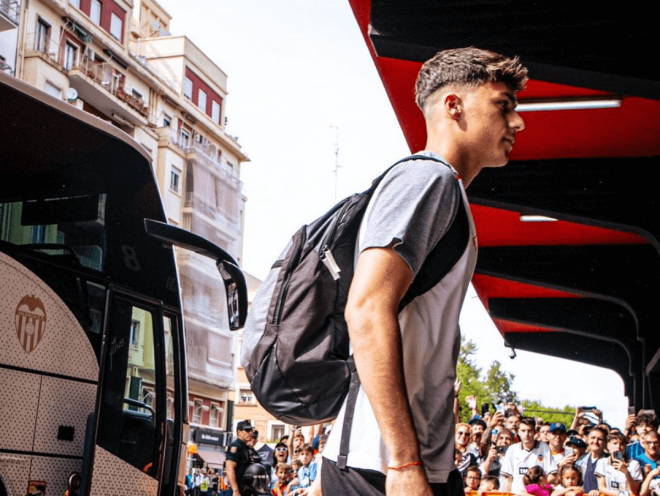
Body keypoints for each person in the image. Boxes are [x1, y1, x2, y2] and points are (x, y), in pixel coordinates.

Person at [320, 46, 528, 496]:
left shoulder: (445, 189)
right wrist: (402, 462)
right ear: (454, 105)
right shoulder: (427, 181)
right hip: (382, 465)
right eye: (503, 105)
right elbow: (367, 308)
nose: (518, 123)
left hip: (416, 463)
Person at [500, 417, 558, 493]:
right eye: (523, 431)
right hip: (517, 493)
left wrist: (539, 486)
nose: (526, 434)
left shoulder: (544, 448)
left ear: (535, 431)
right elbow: (508, 478)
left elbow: (553, 474)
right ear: (518, 432)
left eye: (529, 430)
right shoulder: (512, 449)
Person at [225, 420, 263, 496]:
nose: (251, 433)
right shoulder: (236, 446)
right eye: (247, 430)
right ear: (239, 432)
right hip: (240, 489)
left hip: (249, 489)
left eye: (251, 430)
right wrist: (235, 490)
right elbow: (229, 468)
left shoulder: (247, 447)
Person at [576, 427, 607, 495]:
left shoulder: (609, 461)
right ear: (588, 440)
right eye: (593, 438)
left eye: (600, 439)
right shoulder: (580, 461)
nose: (595, 441)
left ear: (605, 442)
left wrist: (600, 491)